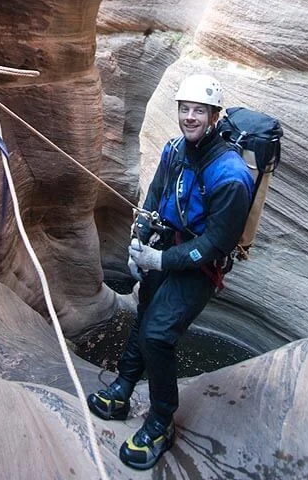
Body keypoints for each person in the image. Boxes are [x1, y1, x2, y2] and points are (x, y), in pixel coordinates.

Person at [87, 73, 255, 470]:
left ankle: (161, 422)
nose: (190, 117)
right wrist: (138, 242)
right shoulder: (175, 150)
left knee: (158, 335)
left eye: (199, 111)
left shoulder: (231, 177)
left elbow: (216, 243)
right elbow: (156, 197)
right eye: (185, 109)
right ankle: (123, 388)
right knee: (145, 315)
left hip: (199, 266)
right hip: (163, 247)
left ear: (214, 117)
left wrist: (160, 261)